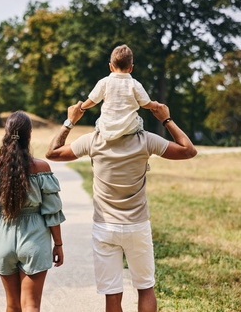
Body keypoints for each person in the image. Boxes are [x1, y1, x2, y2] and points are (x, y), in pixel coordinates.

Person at [46, 102, 197, 312]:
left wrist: (70, 121)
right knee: (145, 288)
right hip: (137, 226)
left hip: (104, 228)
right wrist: (166, 119)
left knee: (113, 295)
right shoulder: (146, 140)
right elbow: (188, 150)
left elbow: (52, 153)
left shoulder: (93, 141)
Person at [0, 111, 65, 312]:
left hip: (3, 240)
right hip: (35, 240)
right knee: (31, 305)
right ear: (30, 135)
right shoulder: (41, 167)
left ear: (6, 134)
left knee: (13, 306)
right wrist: (58, 244)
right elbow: (52, 213)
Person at [78, 44, 160, 141]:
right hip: (130, 128)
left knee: (99, 122)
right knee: (140, 120)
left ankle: (97, 141)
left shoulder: (104, 82)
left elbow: (92, 101)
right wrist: (155, 105)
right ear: (131, 68)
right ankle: (139, 141)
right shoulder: (135, 84)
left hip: (107, 127)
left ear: (111, 67)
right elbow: (145, 104)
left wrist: (81, 107)